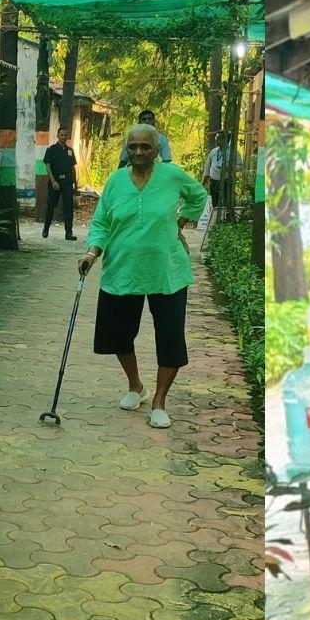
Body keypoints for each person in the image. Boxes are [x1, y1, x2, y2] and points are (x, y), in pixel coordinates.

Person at [79, 124, 207, 429]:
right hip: (122, 270)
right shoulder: (115, 182)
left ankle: (159, 402)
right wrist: (92, 253)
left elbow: (199, 196)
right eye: (132, 147)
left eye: (145, 147)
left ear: (158, 149)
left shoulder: (173, 176)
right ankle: (135, 385)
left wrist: (181, 222)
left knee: (170, 338)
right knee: (118, 335)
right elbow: (101, 223)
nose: (138, 152)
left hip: (167, 271)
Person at [42, 127, 78, 240]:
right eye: (61, 135)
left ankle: (69, 233)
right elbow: (48, 166)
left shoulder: (70, 151)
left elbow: (73, 168)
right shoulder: (52, 149)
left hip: (67, 182)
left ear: (67, 137)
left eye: (65, 135)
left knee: (68, 207)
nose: (63, 137)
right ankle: (46, 229)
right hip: (55, 182)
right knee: (51, 206)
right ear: (57, 136)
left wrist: (75, 184)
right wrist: (53, 181)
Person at [202, 131, 243, 209]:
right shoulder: (213, 152)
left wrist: (229, 168)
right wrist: (203, 182)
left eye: (219, 139)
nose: (217, 141)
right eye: (216, 138)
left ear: (226, 140)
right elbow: (207, 167)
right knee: (214, 202)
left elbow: (240, 166)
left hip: (226, 181)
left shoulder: (233, 152)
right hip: (213, 182)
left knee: (226, 202)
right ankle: (214, 218)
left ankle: (226, 218)